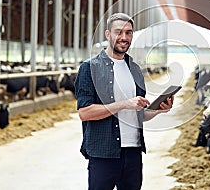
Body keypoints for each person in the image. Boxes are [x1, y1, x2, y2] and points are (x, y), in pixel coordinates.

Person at [74, 13, 174, 190]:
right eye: (118, 32)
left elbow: (138, 115)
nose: (124, 37)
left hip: (133, 153)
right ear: (107, 35)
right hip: (103, 153)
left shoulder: (135, 69)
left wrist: (159, 110)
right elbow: (85, 113)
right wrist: (124, 104)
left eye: (129, 33)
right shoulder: (89, 68)